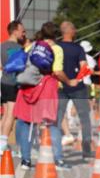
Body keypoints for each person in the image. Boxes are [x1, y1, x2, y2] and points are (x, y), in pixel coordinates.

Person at [13, 22, 63, 169]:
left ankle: (25, 159)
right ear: (55, 34)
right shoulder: (56, 49)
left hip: (27, 88)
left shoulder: (32, 46)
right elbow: (57, 70)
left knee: (25, 122)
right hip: (46, 88)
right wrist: (69, 81)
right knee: (50, 122)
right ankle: (56, 159)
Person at [53, 21, 93, 164]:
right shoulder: (78, 48)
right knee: (84, 118)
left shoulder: (55, 47)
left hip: (60, 87)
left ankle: (56, 151)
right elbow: (84, 66)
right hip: (77, 87)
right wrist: (76, 79)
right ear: (70, 31)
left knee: (57, 118)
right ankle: (86, 150)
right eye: (74, 28)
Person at [1, 21, 27, 153]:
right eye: (22, 30)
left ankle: (1, 141)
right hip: (13, 83)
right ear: (14, 31)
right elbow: (23, 68)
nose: (24, 33)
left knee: (5, 114)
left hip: (4, 82)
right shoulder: (18, 48)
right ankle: (3, 144)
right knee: (11, 114)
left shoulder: (1, 46)